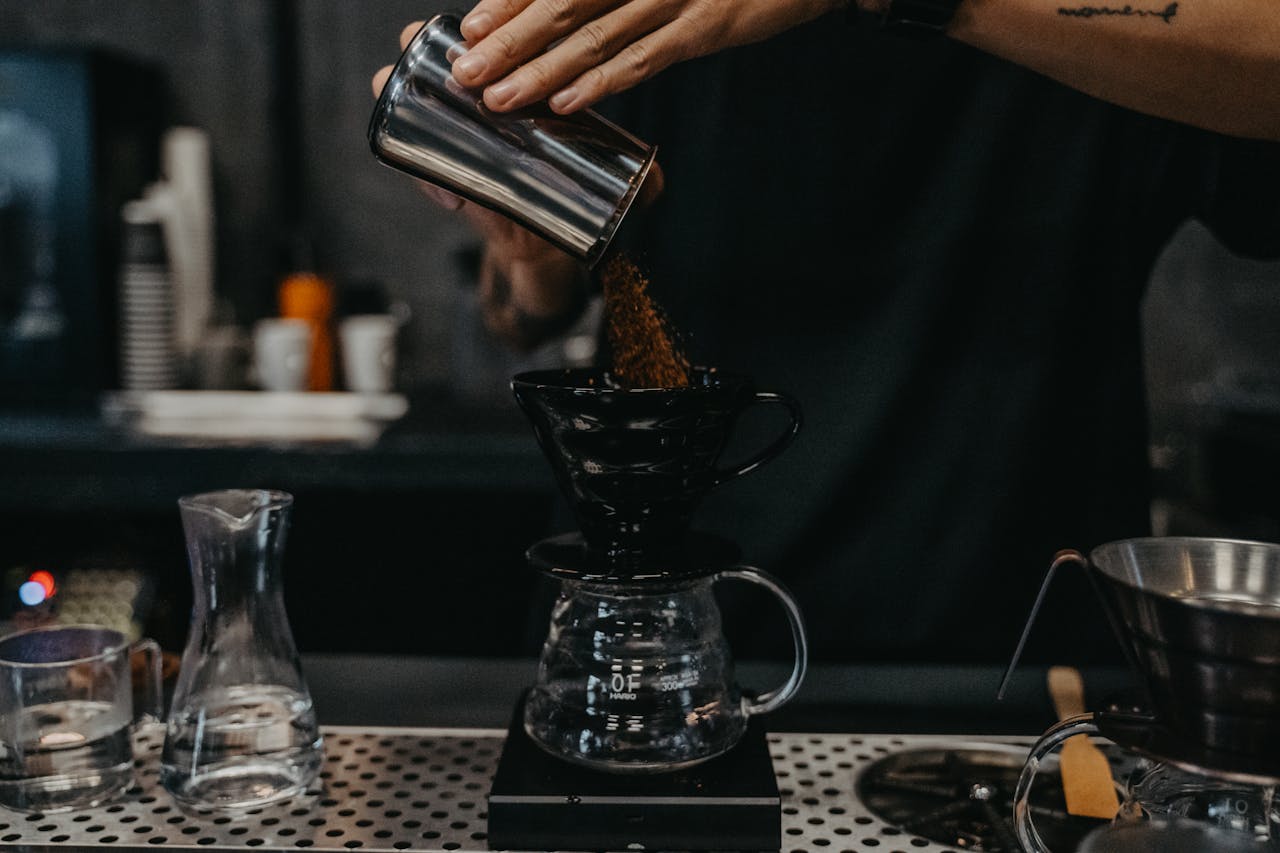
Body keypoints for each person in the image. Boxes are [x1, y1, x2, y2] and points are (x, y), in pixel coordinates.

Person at [370, 1, 1280, 667]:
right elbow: (533, 308)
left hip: (1003, 671)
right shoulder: (650, 17)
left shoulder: (1103, 32)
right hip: (666, 638)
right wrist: (528, 254)